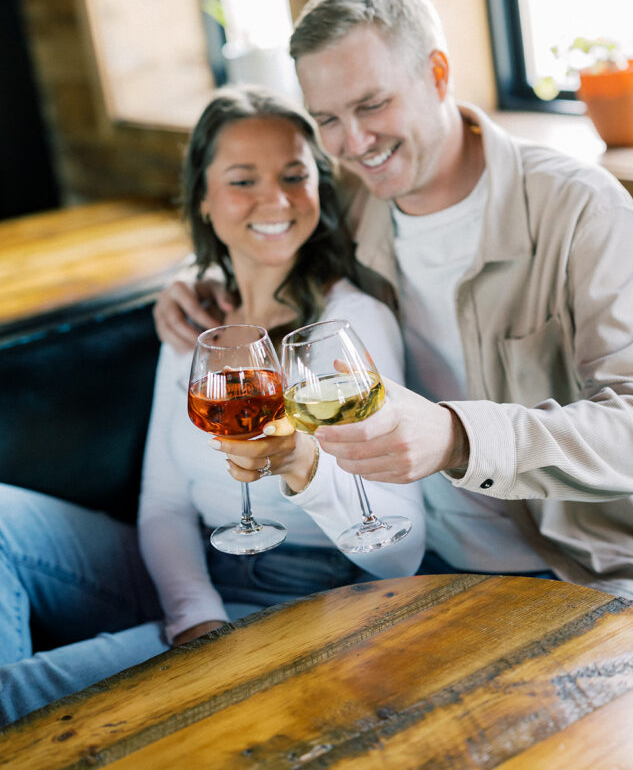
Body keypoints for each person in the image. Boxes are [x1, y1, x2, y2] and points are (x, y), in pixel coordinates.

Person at [154, 0, 633, 616]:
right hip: (412, 576)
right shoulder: (351, 198)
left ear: (436, 73)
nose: (353, 144)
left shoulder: (575, 206)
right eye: (327, 119)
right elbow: (258, 222)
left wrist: (458, 436)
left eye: (371, 105)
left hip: (580, 571)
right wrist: (193, 280)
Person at [0, 85, 424, 726]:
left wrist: (303, 462)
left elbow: (400, 554)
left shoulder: (349, 328)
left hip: (296, 595)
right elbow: (164, 503)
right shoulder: (199, 316)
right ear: (203, 197)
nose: (274, 200)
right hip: (186, 571)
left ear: (320, 188)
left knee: (14, 697)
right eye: (242, 180)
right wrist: (194, 615)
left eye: (293, 175)